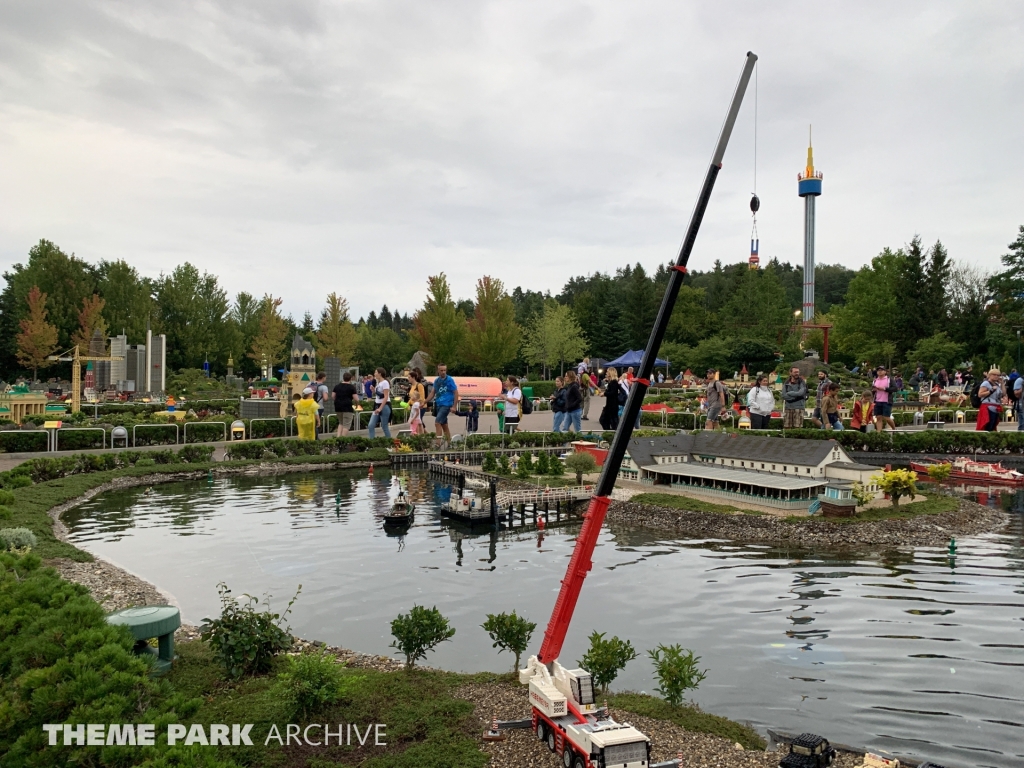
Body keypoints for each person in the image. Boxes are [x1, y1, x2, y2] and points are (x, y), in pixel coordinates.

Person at [426, 363, 459, 445]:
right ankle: (449, 443)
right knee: (444, 425)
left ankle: (438, 443)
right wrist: (424, 401)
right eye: (441, 370)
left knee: (437, 422)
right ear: (438, 370)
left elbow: (456, 392)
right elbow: (433, 392)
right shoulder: (437, 381)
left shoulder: (449, 380)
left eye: (444, 370)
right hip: (439, 404)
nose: (443, 372)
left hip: (446, 404)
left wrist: (454, 406)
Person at [367, 367, 392, 439]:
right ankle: (371, 442)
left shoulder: (385, 382)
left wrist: (380, 408)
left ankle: (389, 443)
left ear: (380, 374)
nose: (374, 374)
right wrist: (374, 391)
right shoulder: (379, 383)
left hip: (384, 406)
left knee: (384, 426)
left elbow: (386, 396)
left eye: (375, 372)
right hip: (377, 405)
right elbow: (379, 395)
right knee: (371, 425)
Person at [976, 367, 1003, 432]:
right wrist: (991, 390)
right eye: (994, 374)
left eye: (998, 375)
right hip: (987, 407)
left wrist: (1002, 383)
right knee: (988, 424)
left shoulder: (997, 384)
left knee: (993, 424)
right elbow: (980, 394)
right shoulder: (986, 383)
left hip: (995, 406)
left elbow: (1003, 393)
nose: (996, 376)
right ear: (990, 375)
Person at [333, 371, 359, 436]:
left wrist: (338, 400)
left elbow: (333, 396)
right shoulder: (351, 387)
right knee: (346, 425)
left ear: (343, 378)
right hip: (347, 407)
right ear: (350, 378)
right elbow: (356, 399)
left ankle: (338, 437)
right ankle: (343, 440)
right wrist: (357, 405)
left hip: (338, 406)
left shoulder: (337, 386)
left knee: (341, 423)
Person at [872, 365, 897, 432]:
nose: (879, 372)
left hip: (886, 401)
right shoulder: (875, 380)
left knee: (887, 417)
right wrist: (874, 390)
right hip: (877, 401)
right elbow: (873, 390)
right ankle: (879, 433)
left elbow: (895, 388)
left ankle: (894, 429)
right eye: (878, 370)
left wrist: (884, 389)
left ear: (885, 371)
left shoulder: (889, 379)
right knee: (878, 417)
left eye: (881, 370)